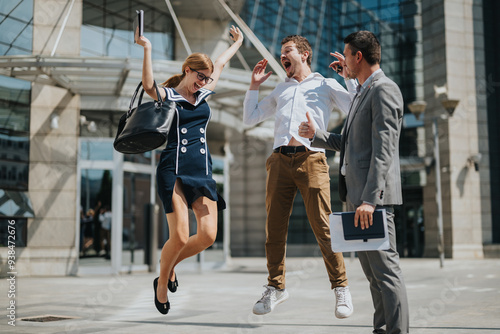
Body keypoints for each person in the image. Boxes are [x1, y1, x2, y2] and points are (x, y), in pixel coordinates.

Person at [299, 30, 409, 334]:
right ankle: (381, 328)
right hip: (358, 199)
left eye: (346, 55)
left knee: (387, 273)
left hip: (372, 201)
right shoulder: (363, 92)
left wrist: (370, 200)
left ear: (357, 56)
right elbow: (351, 142)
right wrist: (317, 136)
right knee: (373, 275)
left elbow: (384, 150)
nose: (343, 60)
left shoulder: (384, 89)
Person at [243, 35, 355, 318]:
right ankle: (275, 287)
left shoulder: (325, 84)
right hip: (279, 161)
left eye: (287, 51)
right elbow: (250, 118)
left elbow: (355, 108)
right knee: (274, 229)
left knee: (323, 227)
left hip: (312, 159)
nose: (282, 56)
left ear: (304, 54)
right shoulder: (281, 89)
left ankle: (341, 286)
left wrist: (349, 76)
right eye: (281, 52)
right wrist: (254, 86)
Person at [136, 26, 243, 315]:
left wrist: (239, 43)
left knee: (208, 235)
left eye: (207, 78)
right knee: (180, 236)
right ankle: (161, 283)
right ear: (187, 70)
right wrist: (146, 47)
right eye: (200, 76)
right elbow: (148, 85)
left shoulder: (204, 94)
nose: (204, 81)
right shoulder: (169, 95)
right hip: (173, 169)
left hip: (201, 171)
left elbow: (220, 63)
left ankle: (168, 268)